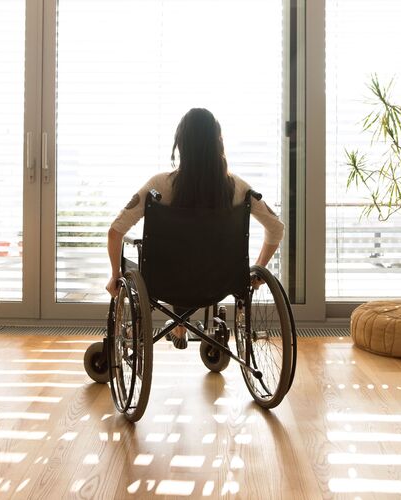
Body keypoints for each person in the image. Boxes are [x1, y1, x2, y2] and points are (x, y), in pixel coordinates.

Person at [105, 107, 285, 349]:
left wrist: (115, 276)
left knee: (177, 259)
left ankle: (178, 325)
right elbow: (276, 227)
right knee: (198, 258)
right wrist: (256, 272)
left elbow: (115, 231)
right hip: (219, 282)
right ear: (218, 143)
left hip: (167, 282)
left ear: (181, 144)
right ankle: (181, 324)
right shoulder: (239, 189)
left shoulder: (159, 187)